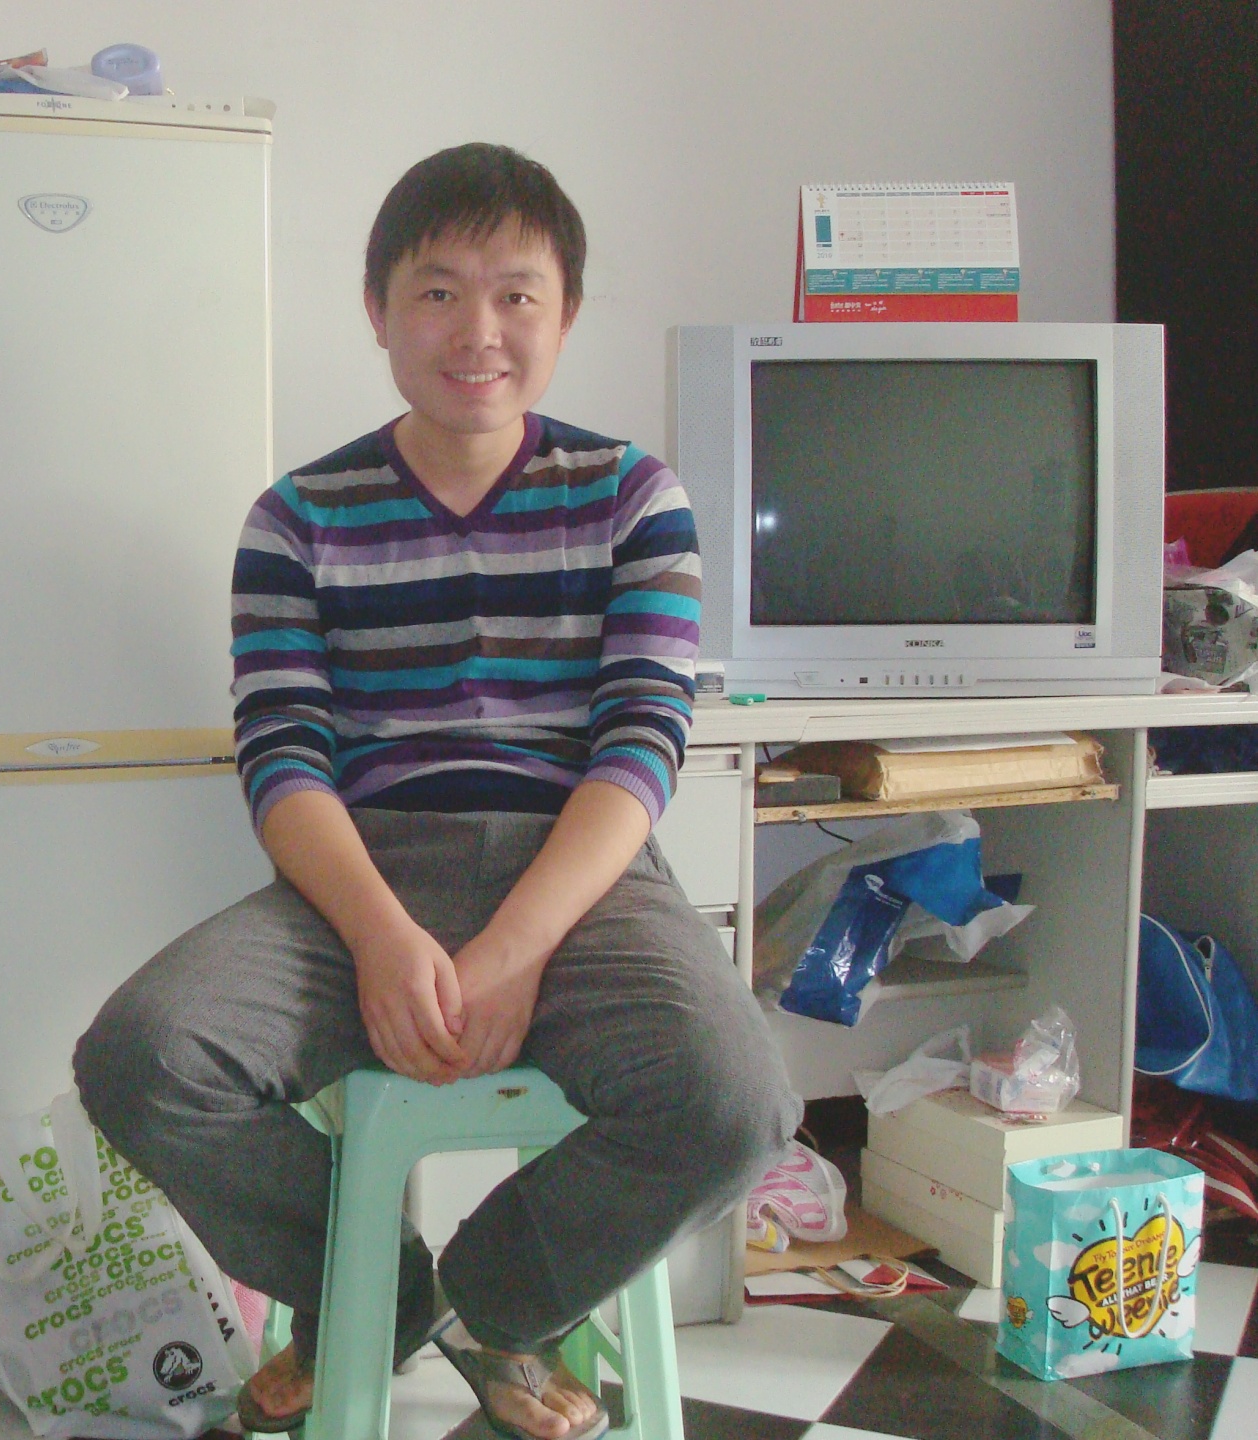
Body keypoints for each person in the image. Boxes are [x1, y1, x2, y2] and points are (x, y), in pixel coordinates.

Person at [75, 142, 801, 1440]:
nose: (479, 331)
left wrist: (515, 948)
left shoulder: (634, 497)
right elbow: (282, 755)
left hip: (577, 878)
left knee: (735, 1104)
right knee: (143, 1061)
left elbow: (641, 745)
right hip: (359, 872)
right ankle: (374, 1292)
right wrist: (377, 934)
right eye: (437, 291)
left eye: (517, 294)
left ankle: (488, 1303)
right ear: (378, 310)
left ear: (564, 314)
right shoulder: (297, 517)